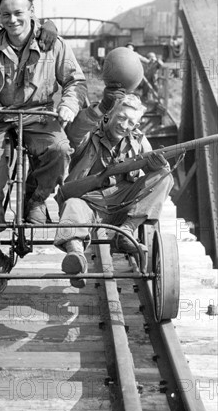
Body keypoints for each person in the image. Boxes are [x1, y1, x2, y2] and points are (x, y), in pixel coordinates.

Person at [0, 0, 87, 297]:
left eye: (19, 13)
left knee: (59, 150)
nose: (13, 19)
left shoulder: (52, 44)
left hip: (39, 115)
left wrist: (69, 105)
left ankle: (37, 197)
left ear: (32, 13)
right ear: (0, 17)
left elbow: (75, 80)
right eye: (6, 14)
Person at [54, 93, 173, 288]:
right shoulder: (88, 135)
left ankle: (126, 231)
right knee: (72, 206)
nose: (124, 125)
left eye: (130, 122)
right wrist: (98, 108)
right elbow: (76, 130)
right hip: (88, 203)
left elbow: (156, 177)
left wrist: (160, 166)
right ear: (110, 115)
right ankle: (76, 257)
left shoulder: (138, 141)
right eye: (121, 117)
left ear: (136, 125)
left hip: (123, 207)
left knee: (165, 176)